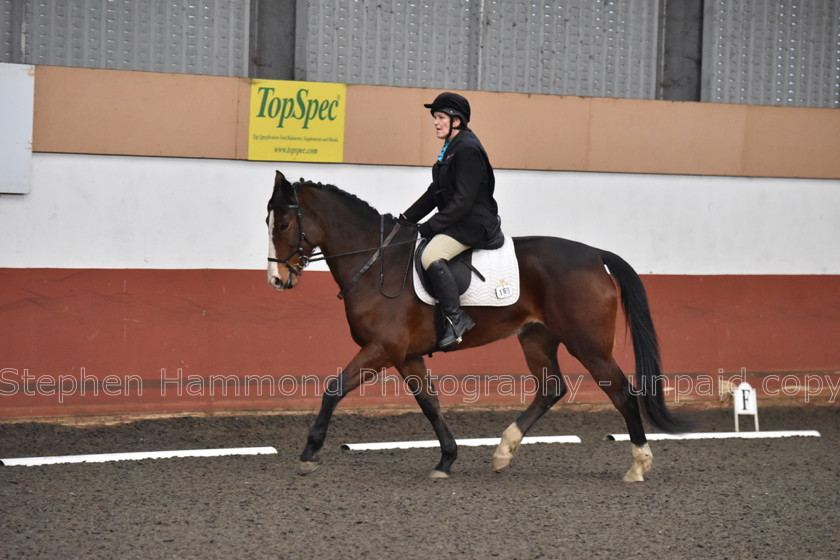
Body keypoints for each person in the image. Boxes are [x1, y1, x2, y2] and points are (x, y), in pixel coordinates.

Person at [400, 92, 504, 349]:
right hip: (459, 220)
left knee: (430, 256)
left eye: (441, 117)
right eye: (435, 117)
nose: (436, 122)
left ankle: (456, 319)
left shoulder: (467, 149)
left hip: (473, 223)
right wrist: (405, 219)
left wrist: (429, 227)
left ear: (456, 121)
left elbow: (463, 201)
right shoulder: (451, 148)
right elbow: (435, 192)